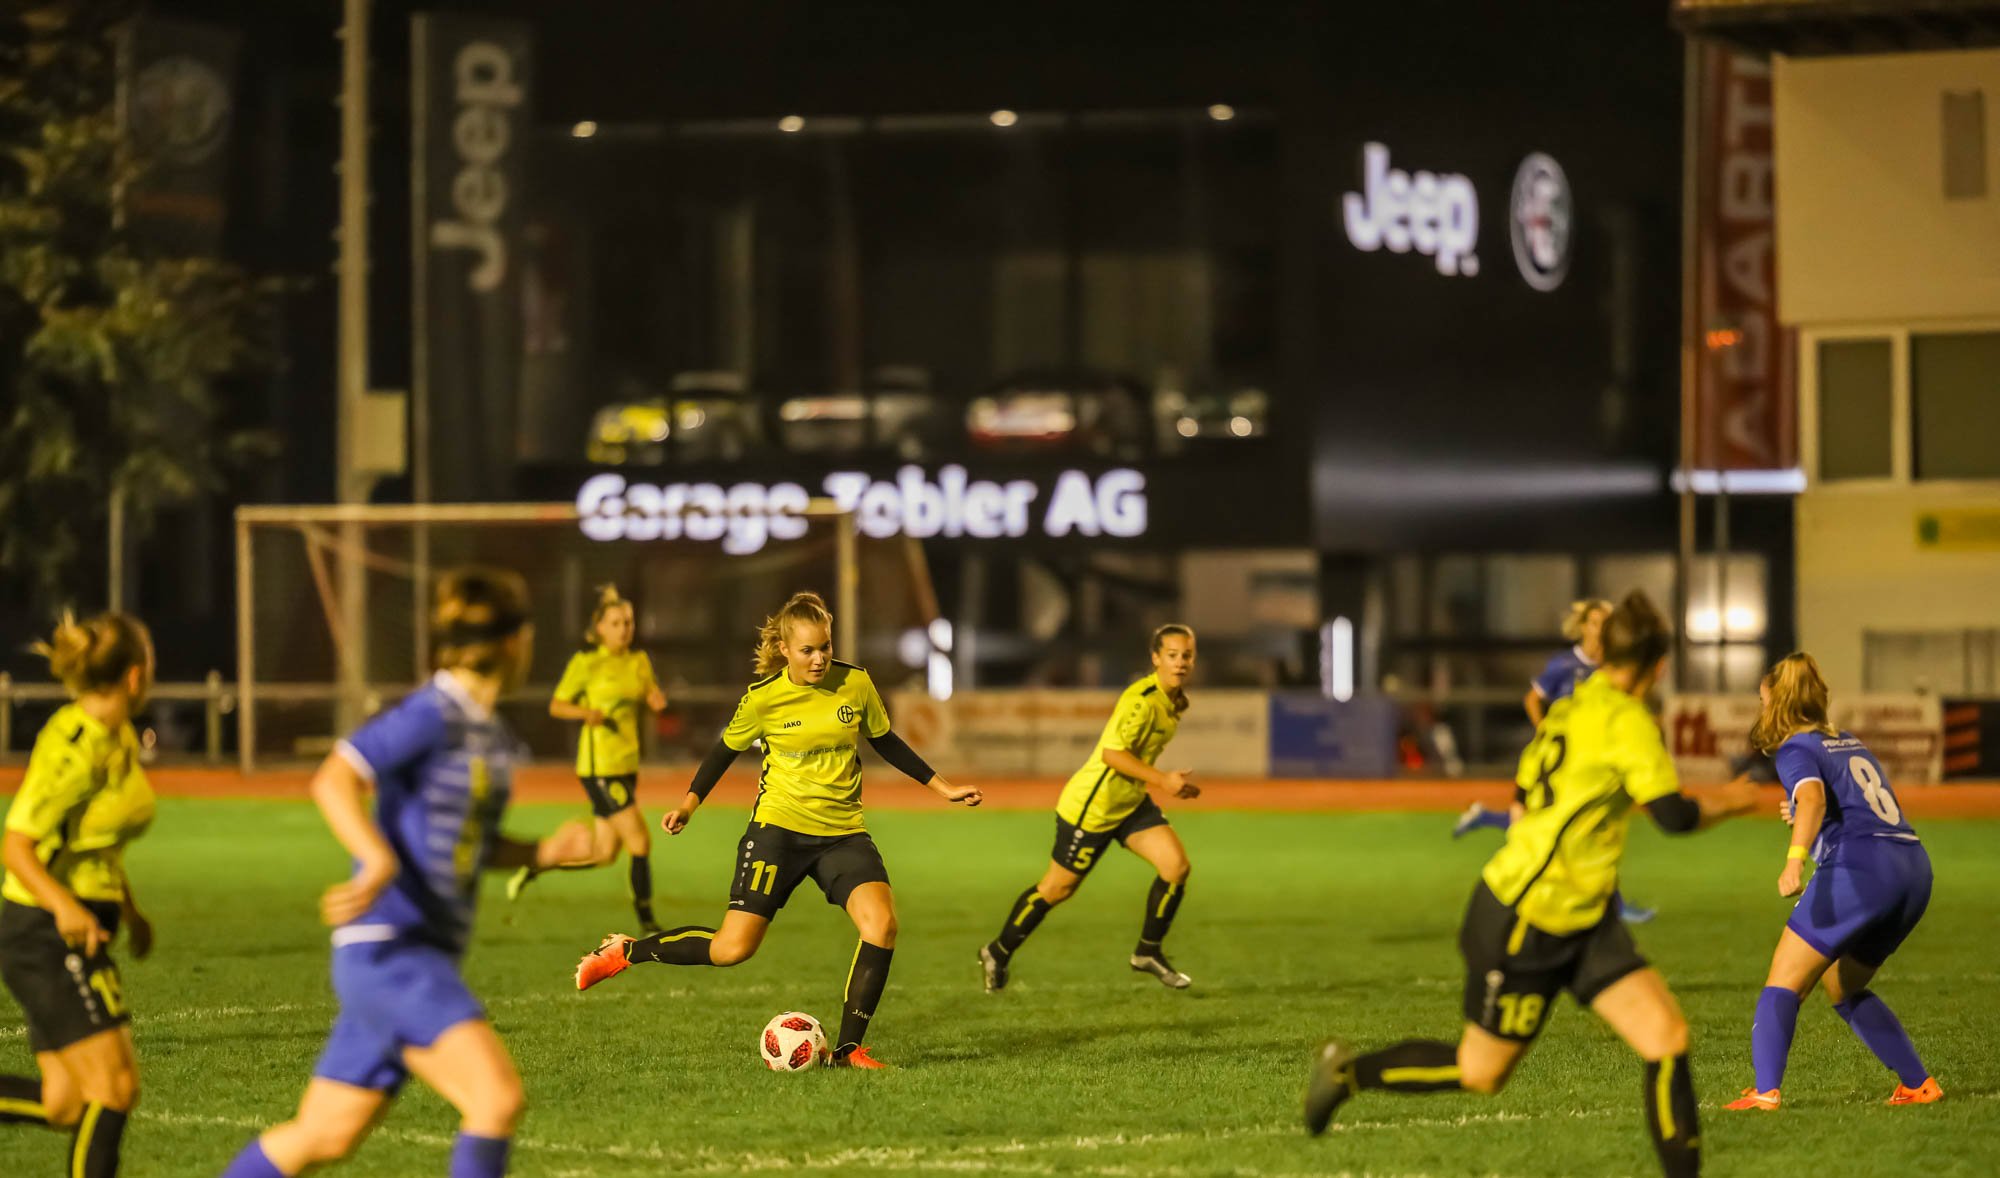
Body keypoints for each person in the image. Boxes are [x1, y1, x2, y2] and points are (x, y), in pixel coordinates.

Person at [1305, 591, 1760, 1178]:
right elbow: (1672, 815)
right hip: (1528, 916)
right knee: (1481, 1073)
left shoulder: (1574, 703)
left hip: (1583, 915)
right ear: (1661, 665)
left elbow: (1525, 786)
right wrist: (1734, 801)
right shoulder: (1628, 720)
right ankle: (1347, 1074)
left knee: (1666, 1037)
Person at [219, 569, 595, 1178]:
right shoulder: (433, 712)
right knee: (495, 1100)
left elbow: (465, 841)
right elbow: (335, 777)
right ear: (515, 642)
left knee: (323, 1135)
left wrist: (543, 853)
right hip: (392, 951)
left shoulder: (488, 733)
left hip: (416, 953)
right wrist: (377, 858)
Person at [573, 591, 981, 1069]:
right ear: (785, 649)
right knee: (732, 949)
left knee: (882, 925)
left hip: (842, 833)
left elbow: (886, 741)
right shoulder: (763, 699)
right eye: (807, 650)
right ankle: (627, 950)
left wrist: (943, 788)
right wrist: (689, 803)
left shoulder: (855, 683)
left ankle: (848, 1050)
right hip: (778, 833)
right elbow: (723, 751)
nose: (819, 658)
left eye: (825, 647)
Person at [1724, 653, 1940, 1111]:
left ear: (1779, 703)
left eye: (1764, 701)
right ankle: (1918, 1084)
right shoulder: (1845, 741)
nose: (1762, 711)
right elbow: (1851, 806)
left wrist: (1794, 861)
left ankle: (1765, 1092)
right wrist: (1806, 814)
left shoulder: (1795, 748)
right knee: (1843, 985)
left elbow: (1814, 799)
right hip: (1913, 869)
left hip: (1863, 869)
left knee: (1784, 977)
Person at [0, 612, 158, 1178]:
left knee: (66, 1103)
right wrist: (66, 907)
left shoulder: (118, 736)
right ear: (135, 675)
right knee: (114, 1089)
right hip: (43, 932)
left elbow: (91, 841)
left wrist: (129, 910)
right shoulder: (73, 745)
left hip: (77, 924)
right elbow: (17, 846)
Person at [978, 624, 1201, 993]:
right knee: (1057, 889)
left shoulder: (1174, 700)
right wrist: (1163, 780)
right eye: (1172, 655)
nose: (1180, 662)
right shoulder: (1142, 700)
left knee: (1176, 867)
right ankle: (997, 952)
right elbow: (1112, 755)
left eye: (1187, 656)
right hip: (1092, 809)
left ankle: (1147, 951)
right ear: (1156, 658)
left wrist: (1163, 782)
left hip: (1129, 802)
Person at [1452, 598, 1655, 924]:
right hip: (1566, 763)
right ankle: (1535, 894)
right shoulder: (1565, 665)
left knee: (1577, 826)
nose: (1601, 629)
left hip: (1590, 762)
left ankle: (1486, 820)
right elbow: (1532, 699)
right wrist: (1545, 730)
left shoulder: (1609, 667)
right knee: (1571, 826)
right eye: (1595, 622)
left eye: (1607, 623)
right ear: (1583, 627)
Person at [507, 584, 669, 932]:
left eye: (628, 622)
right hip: (599, 769)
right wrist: (586, 713)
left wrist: (655, 701)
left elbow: (649, 694)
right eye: (616, 623)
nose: (624, 629)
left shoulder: (639, 662)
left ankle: (536, 867)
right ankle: (647, 921)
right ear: (600, 629)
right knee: (640, 840)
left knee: (603, 854)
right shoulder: (587, 663)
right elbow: (557, 705)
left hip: (627, 765)